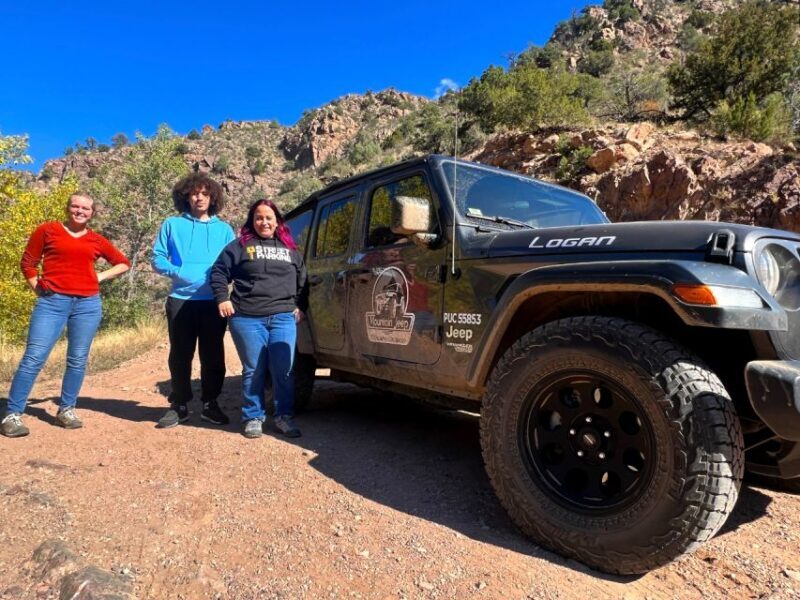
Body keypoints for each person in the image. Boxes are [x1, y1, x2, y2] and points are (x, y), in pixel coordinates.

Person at [1, 193, 130, 438]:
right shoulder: (48, 230)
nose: (80, 211)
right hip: (52, 302)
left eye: (86, 208)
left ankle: (67, 409)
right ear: (68, 208)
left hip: (88, 304)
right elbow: (28, 262)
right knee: (34, 357)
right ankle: (12, 414)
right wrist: (37, 287)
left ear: (92, 213)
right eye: (75, 206)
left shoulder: (96, 240)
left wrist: (98, 277)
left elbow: (123, 263)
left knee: (78, 359)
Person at [210, 199, 308, 439]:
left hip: (283, 317)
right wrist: (223, 298)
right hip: (247, 318)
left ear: (277, 221)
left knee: (283, 369)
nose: (264, 222)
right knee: (254, 369)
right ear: (252, 221)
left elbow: (303, 281)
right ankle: (253, 417)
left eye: (268, 217)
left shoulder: (290, 249)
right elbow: (219, 272)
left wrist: (301, 306)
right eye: (259, 218)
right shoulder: (239, 246)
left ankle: (283, 417)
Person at [152, 173, 235, 429]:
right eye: (194, 193)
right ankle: (179, 405)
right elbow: (157, 258)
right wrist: (176, 271)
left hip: (214, 302)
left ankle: (211, 404)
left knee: (213, 355)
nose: (199, 198)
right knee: (180, 355)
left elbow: (233, 262)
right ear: (186, 197)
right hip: (180, 300)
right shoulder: (172, 225)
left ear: (213, 198)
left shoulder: (224, 229)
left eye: (205, 194)